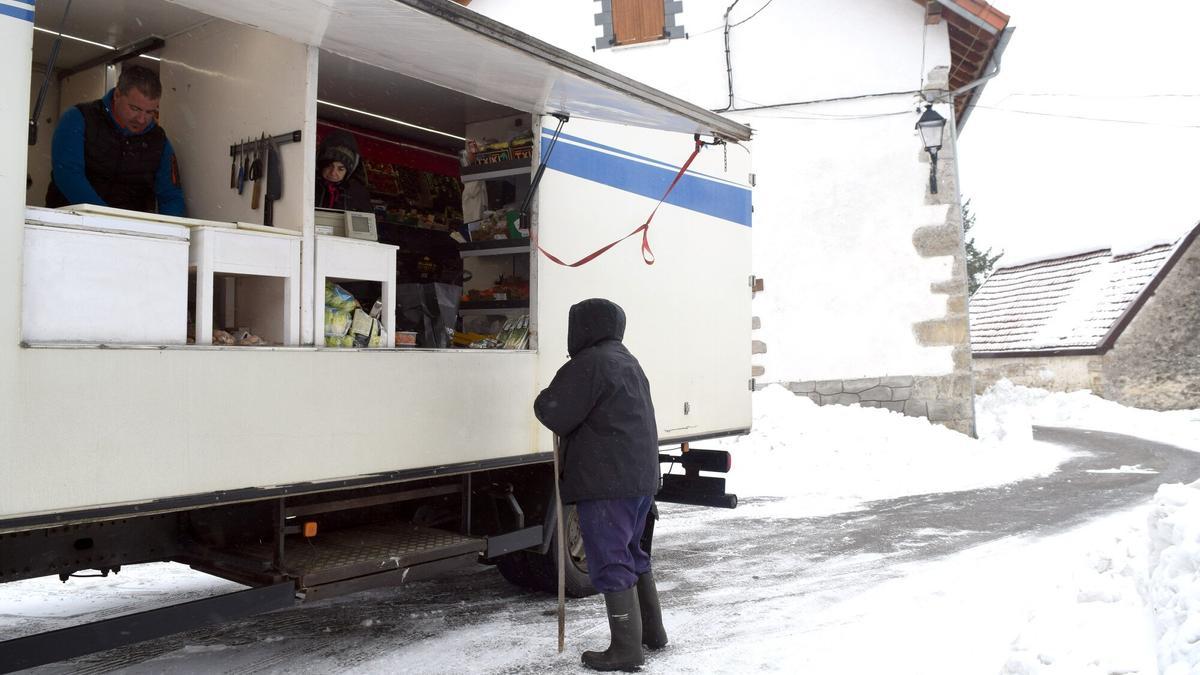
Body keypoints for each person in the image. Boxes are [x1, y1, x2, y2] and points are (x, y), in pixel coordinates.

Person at [533, 298, 668, 672]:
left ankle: (626, 650)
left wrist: (542, 400)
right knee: (633, 554)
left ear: (584, 327)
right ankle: (652, 633)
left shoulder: (589, 363)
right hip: (638, 479)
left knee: (610, 559)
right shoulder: (627, 361)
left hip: (606, 481)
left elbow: (554, 412)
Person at [45, 65, 185, 216]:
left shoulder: (159, 141)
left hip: (130, 232)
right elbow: (68, 175)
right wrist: (107, 218)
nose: (142, 119)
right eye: (135, 108)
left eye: (150, 112)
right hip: (70, 224)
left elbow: (171, 196)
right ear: (117, 94)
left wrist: (167, 233)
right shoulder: (78, 118)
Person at [315, 129, 373, 212]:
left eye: (340, 169)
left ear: (349, 172)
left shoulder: (358, 194)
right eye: (329, 166)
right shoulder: (307, 185)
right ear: (321, 165)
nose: (333, 173)